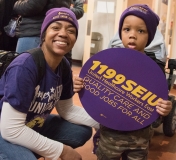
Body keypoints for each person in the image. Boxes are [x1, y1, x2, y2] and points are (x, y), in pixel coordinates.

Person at [73, 4, 172, 160]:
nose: (132, 35)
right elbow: (95, 91)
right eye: (127, 29)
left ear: (150, 36)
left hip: (140, 140)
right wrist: (80, 85)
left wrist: (165, 109)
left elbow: (159, 104)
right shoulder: (109, 62)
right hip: (109, 137)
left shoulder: (154, 70)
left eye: (141, 31)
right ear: (120, 33)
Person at [0, 7, 99, 160]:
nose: (63, 33)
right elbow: (10, 129)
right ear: (44, 34)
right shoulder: (25, 66)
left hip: (32, 123)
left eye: (71, 31)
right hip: (5, 128)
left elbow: (68, 111)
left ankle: (28, 148)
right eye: (55, 27)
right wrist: (62, 151)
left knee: (80, 132)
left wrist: (105, 123)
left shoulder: (64, 66)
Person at [65, 0, 84, 66]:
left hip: (69, 31)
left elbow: (79, 12)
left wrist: (64, 8)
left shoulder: (77, 1)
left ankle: (68, 73)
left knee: (67, 54)